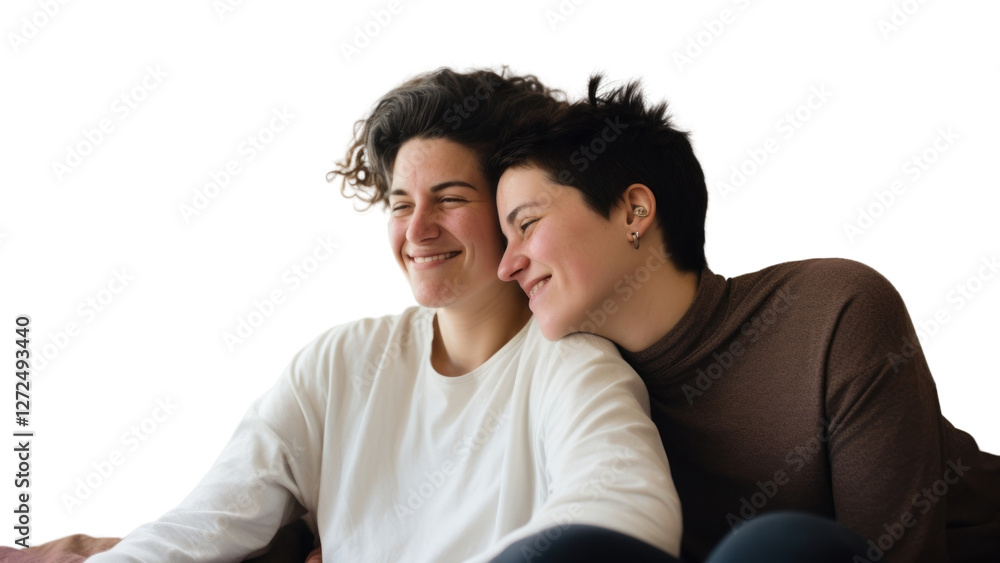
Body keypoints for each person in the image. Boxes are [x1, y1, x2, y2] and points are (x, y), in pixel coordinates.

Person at [84, 69, 683, 562]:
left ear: (508, 208)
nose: (417, 231)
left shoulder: (573, 367)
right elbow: (202, 526)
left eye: (450, 199)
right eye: (400, 205)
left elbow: (622, 516)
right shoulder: (337, 365)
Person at [492, 75, 1000, 562]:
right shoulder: (579, 388)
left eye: (528, 225)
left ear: (635, 212)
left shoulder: (833, 314)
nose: (506, 265)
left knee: (777, 544)